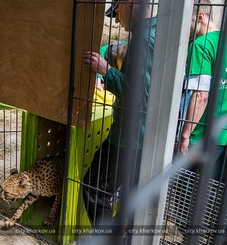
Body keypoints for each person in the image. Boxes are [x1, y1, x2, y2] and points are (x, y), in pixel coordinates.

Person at [82, 0, 156, 227]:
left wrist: (106, 71)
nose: (115, 19)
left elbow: (139, 96)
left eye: (116, 11)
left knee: (92, 187)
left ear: (129, 4)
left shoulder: (143, 40)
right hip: (145, 134)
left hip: (128, 137)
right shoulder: (156, 33)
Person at [178, 0, 227, 182]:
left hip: (204, 139)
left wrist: (185, 135)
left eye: (186, 20)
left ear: (200, 17)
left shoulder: (201, 45)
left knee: (188, 199)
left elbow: (201, 96)